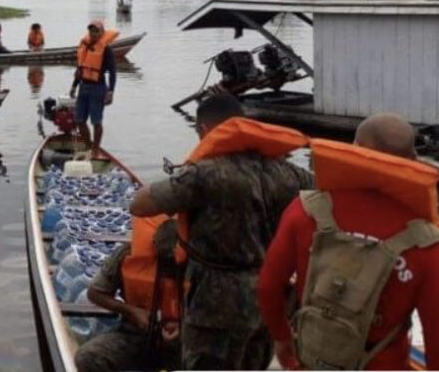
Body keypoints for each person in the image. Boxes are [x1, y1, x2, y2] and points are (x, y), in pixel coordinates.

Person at [128, 94, 313, 370]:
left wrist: (183, 173)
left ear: (205, 131)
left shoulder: (204, 174)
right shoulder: (290, 174)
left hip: (215, 303)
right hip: (269, 297)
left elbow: (140, 205)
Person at [258, 113, 439, 370]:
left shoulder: (306, 211)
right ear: (413, 161)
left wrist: (282, 338)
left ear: (354, 149)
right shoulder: (425, 242)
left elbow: (268, 287)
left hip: (313, 359)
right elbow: (435, 332)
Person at [76, 218, 185, 372]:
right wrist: (132, 311)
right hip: (136, 335)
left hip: (186, 341)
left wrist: (183, 325)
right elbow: (95, 293)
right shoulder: (126, 254)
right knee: (88, 357)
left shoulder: (204, 264)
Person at [70, 21, 118, 159]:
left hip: (98, 88)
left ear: (102, 32)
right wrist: (74, 86)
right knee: (79, 120)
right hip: (83, 87)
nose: (93, 33)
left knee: (96, 121)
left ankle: (95, 150)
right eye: (91, 30)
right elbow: (80, 70)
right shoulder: (84, 47)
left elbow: (113, 72)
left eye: (96, 31)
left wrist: (111, 91)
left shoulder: (106, 49)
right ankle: (88, 147)